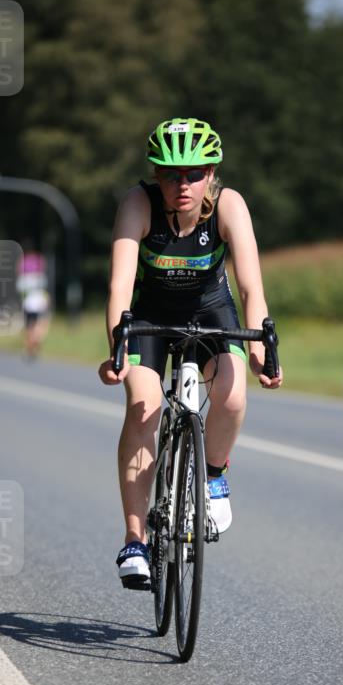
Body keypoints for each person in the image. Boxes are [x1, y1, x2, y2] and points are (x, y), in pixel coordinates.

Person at [98, 117, 282, 588]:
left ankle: (213, 475)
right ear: (155, 174)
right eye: (171, 175)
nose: (183, 185)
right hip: (150, 316)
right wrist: (117, 349)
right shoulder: (138, 204)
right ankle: (135, 540)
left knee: (232, 396)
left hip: (211, 311)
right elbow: (120, 287)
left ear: (211, 173)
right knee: (144, 407)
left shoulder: (229, 205)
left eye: (194, 174)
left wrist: (259, 350)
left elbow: (250, 287)